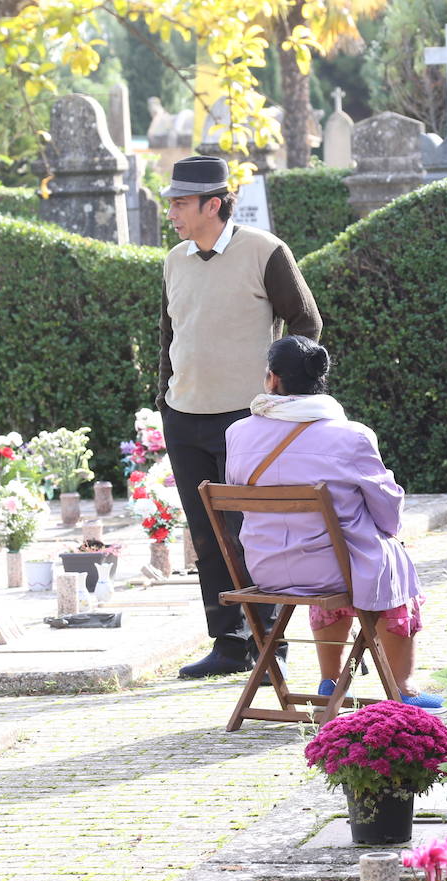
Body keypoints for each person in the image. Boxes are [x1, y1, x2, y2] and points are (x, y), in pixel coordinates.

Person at [158, 156, 323, 679]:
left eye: (180, 204)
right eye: (171, 204)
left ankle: (269, 642)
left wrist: (285, 391)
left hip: (249, 417)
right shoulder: (173, 260)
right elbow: (169, 334)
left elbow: (306, 320)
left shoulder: (265, 251)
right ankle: (228, 644)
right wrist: (162, 393)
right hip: (183, 415)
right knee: (206, 533)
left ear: (214, 204)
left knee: (254, 530)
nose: (173, 213)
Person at [224, 336, 441, 707]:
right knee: (385, 560)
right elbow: (389, 515)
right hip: (333, 571)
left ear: (272, 379)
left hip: (265, 569)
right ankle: (403, 689)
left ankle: (331, 681)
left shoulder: (238, 434)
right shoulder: (351, 435)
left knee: (343, 560)